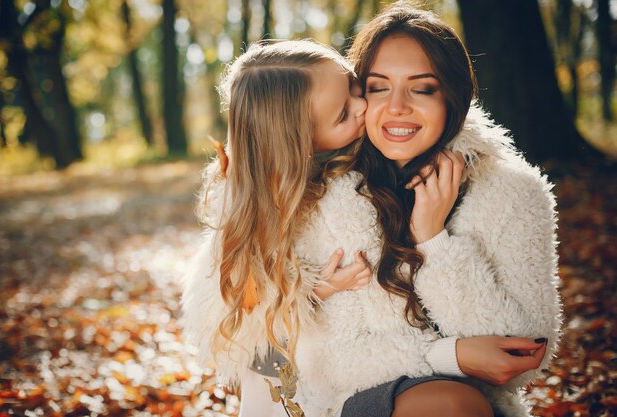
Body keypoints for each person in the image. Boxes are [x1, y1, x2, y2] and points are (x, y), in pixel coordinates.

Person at [289, 4, 561, 417]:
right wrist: (450, 356)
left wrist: (434, 241)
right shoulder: (325, 192)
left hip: (481, 409)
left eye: (422, 88)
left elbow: (524, 354)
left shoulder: (512, 192)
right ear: (360, 97)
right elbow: (327, 359)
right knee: (450, 403)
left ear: (453, 96)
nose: (397, 106)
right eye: (379, 87)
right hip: (348, 401)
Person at [180, 39, 372, 417]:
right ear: (297, 142)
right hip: (283, 391)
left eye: (354, 87)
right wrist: (315, 290)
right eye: (343, 114)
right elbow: (248, 319)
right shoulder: (253, 212)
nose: (363, 105)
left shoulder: (354, 166)